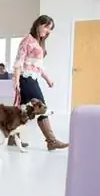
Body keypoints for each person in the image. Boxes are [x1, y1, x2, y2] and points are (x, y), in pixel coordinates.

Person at [12, 15, 68, 150]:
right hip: (25, 79)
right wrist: (16, 81)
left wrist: (48, 79)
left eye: (50, 29)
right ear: (38, 24)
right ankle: (51, 141)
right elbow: (19, 62)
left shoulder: (39, 43)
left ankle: (12, 138)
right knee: (41, 107)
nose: (47, 31)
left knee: (22, 111)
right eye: (46, 27)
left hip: (33, 79)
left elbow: (38, 67)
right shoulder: (27, 40)